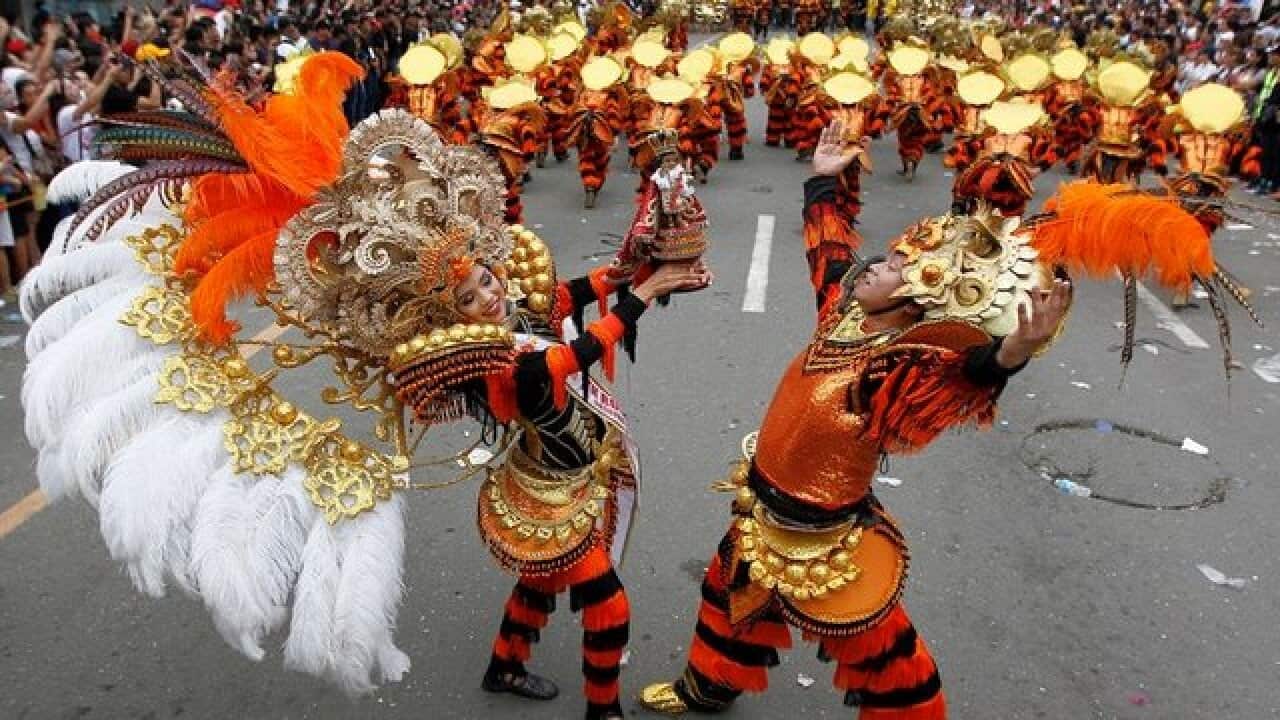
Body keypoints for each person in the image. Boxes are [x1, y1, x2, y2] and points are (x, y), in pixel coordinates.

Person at [638, 118, 1071, 719]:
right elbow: (828, 248)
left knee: (890, 663)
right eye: (885, 258)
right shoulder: (843, 315)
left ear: (914, 301)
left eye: (891, 268)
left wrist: (1008, 356)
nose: (872, 267)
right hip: (761, 509)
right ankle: (707, 689)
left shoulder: (892, 367)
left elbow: (957, 376)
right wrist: (822, 183)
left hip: (829, 540)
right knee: (725, 599)